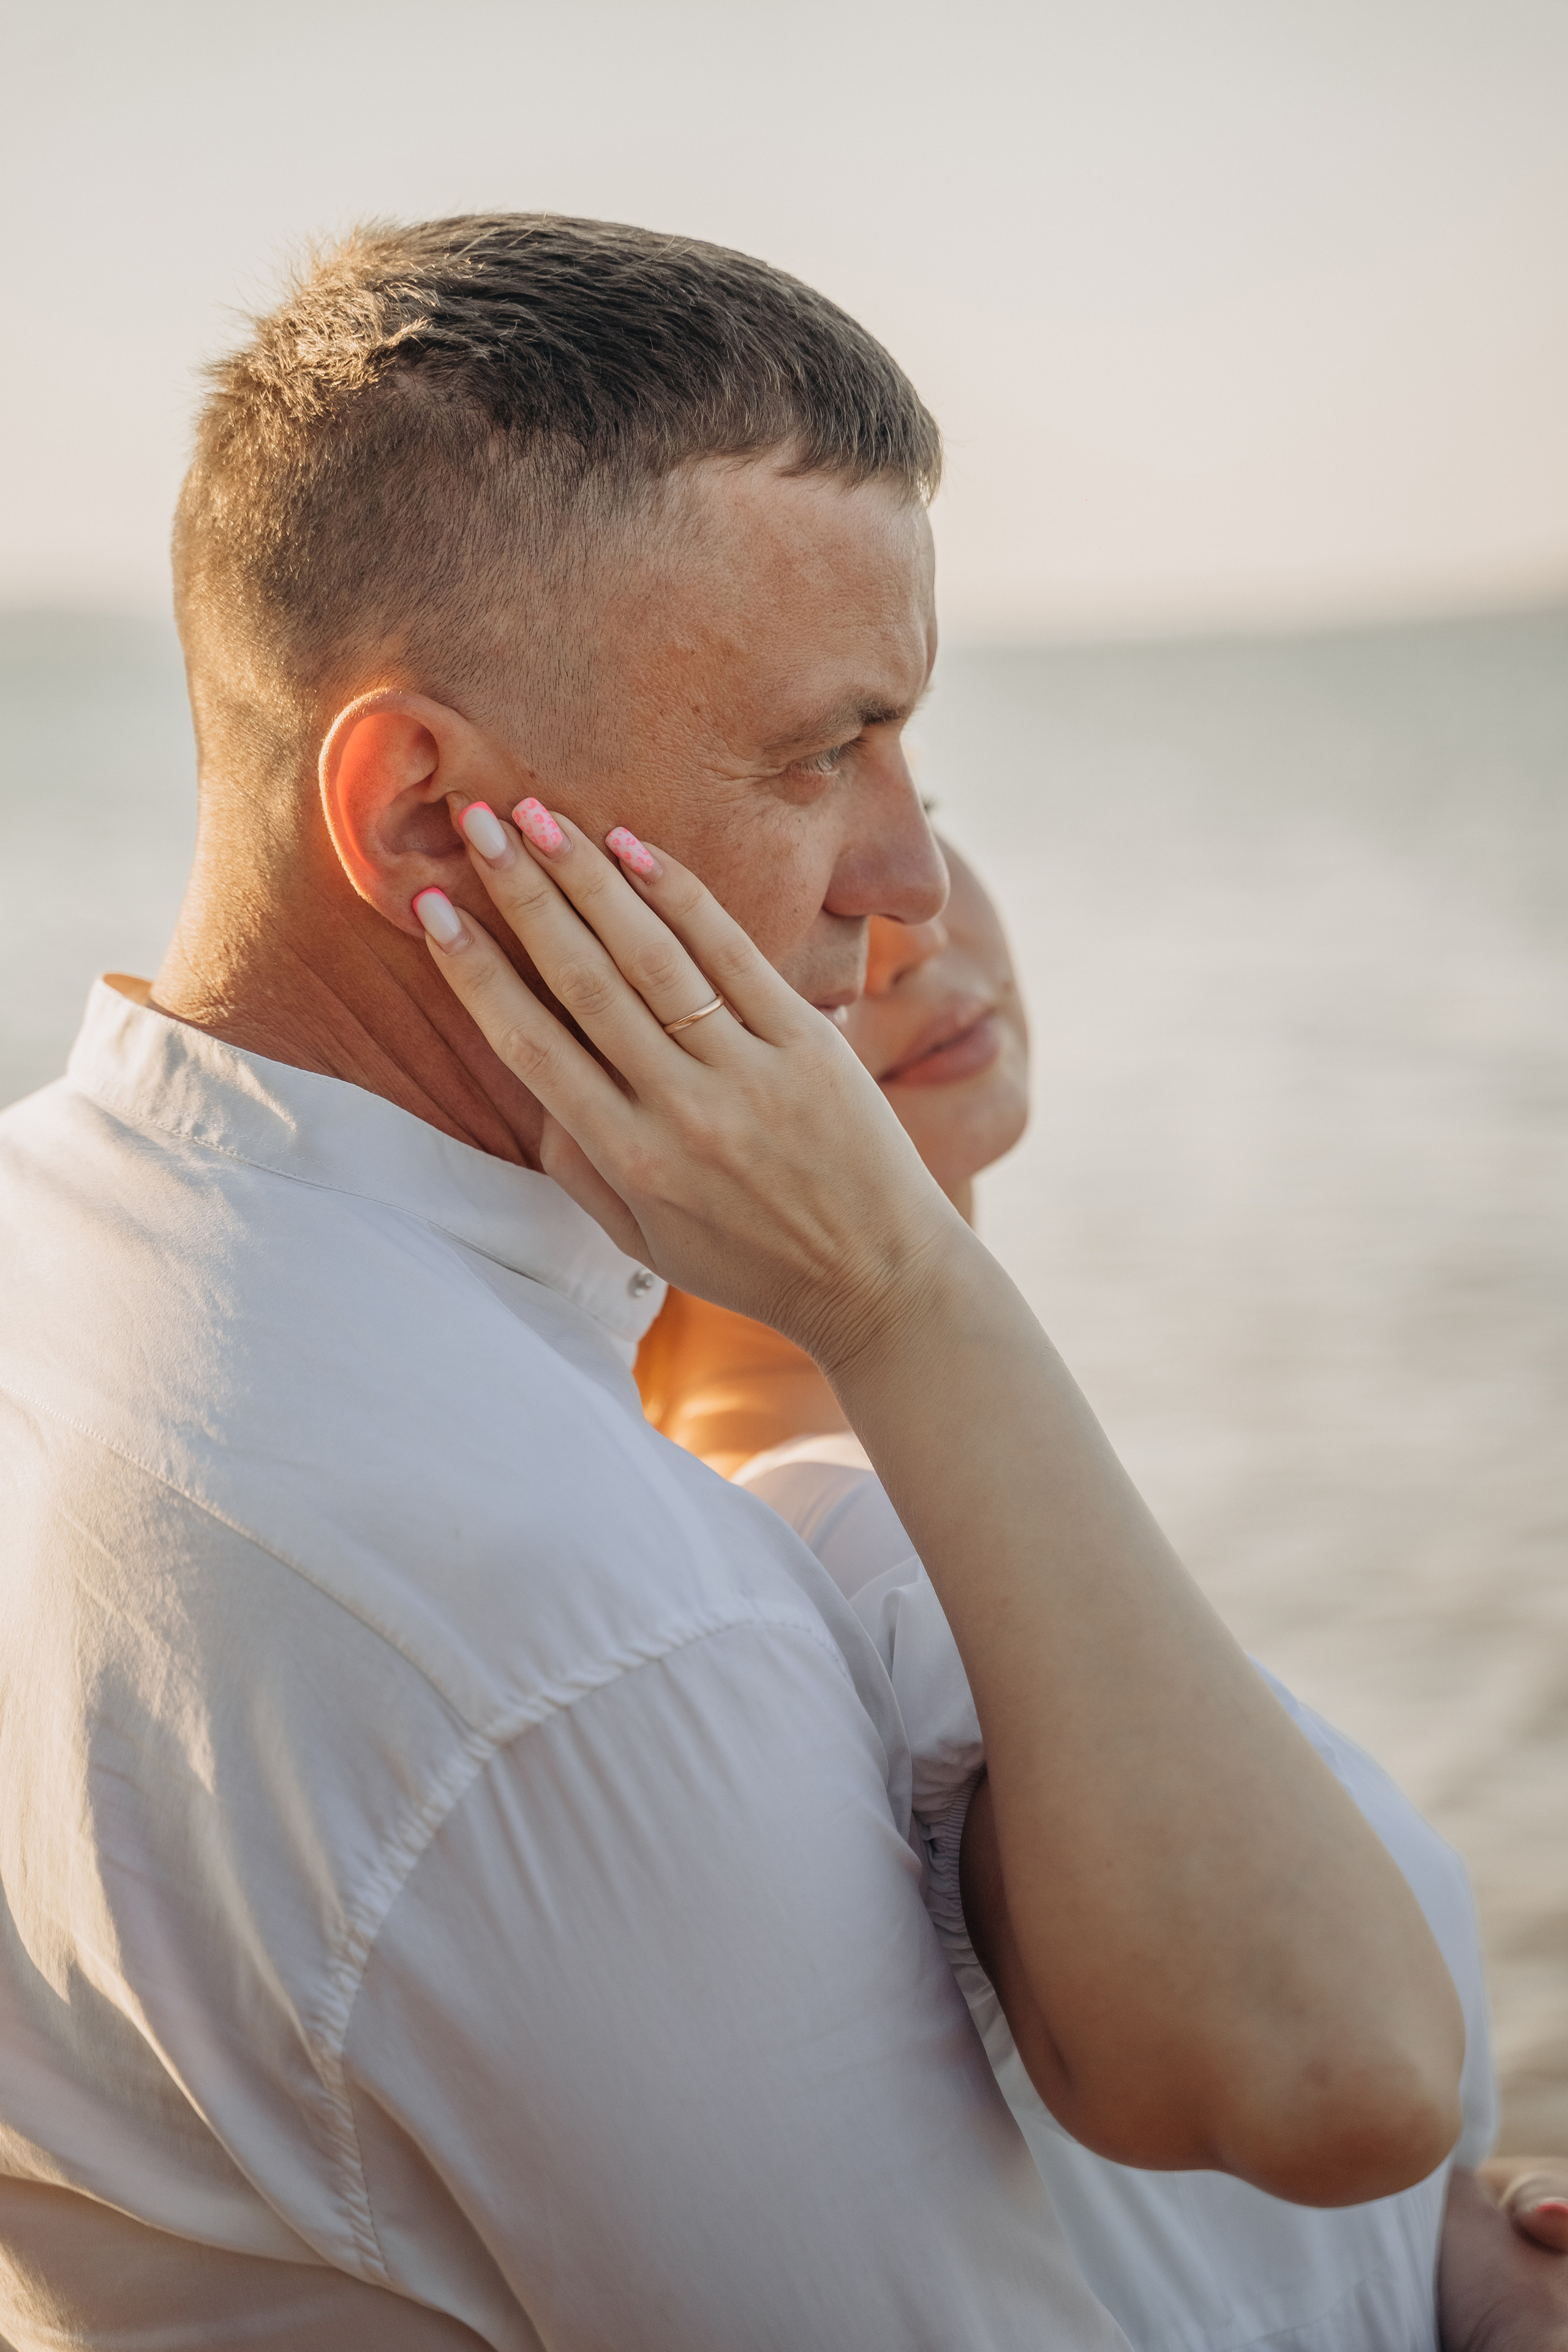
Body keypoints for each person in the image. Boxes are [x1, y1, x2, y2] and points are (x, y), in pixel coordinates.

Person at [0, 213, 1520, 2346]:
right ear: (427, 818)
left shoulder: (82, 1230)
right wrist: (1439, 2294)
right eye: (824, 755)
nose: (906, 879)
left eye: (913, 749)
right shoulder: (558, 1633)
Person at [637, 843, 1568, 2348]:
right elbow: (1307, 2068)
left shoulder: (892, 1491)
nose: (909, 925)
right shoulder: (866, 1545)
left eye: (910, 807)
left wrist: (1448, 2244)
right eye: (784, 893)